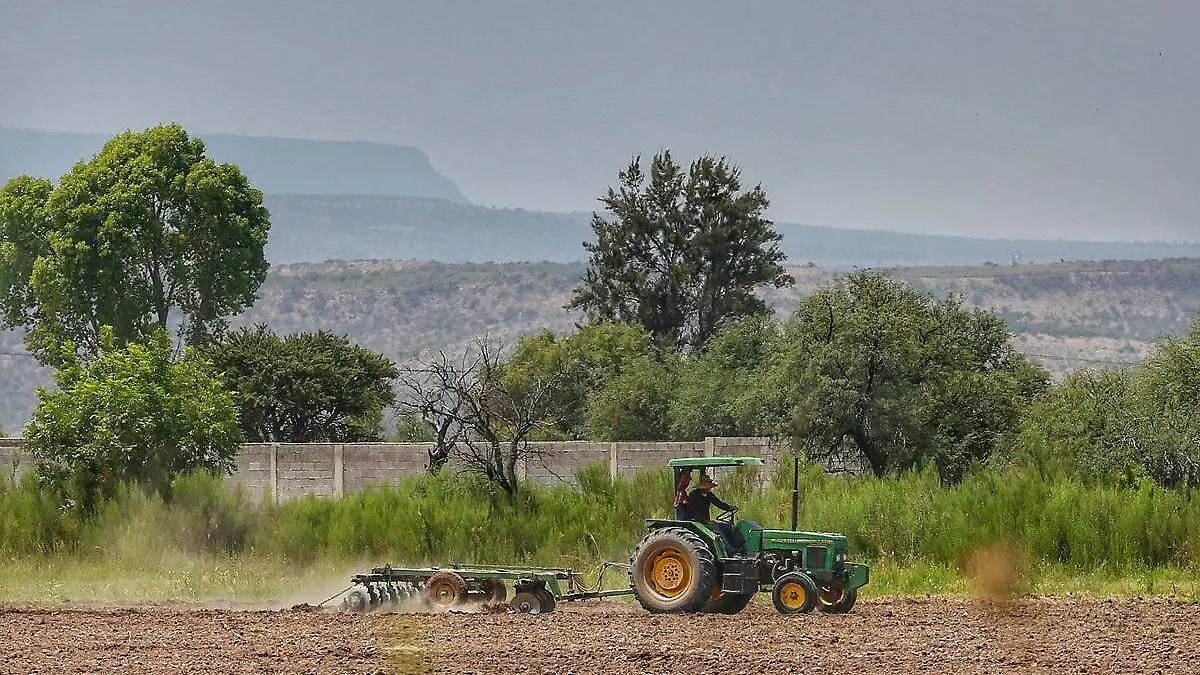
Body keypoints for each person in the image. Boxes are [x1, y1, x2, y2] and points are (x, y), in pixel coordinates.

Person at [685, 473, 746, 553]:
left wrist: (728, 507)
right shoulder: (693, 496)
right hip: (698, 522)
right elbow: (692, 512)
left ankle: (742, 547)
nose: (709, 488)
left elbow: (718, 503)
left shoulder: (709, 495)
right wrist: (706, 521)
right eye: (708, 486)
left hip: (707, 522)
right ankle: (730, 552)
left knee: (730, 527)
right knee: (717, 531)